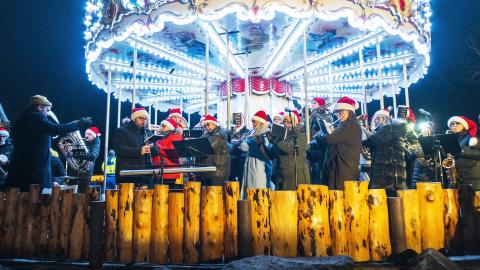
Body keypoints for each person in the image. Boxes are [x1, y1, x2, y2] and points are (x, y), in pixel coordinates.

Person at [6, 95, 91, 191]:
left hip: (20, 170)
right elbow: (55, 129)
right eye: (47, 110)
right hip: (33, 171)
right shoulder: (35, 117)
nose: (47, 114)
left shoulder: (23, 119)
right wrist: (78, 124)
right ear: (39, 107)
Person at [315, 96, 361, 190]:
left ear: (349, 111)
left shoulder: (349, 125)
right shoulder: (347, 123)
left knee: (338, 197)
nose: (339, 115)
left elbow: (329, 139)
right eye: (337, 112)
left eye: (341, 112)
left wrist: (323, 133)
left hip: (343, 169)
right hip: (342, 167)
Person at [363, 109, 408, 196]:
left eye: (378, 118)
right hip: (391, 177)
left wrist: (362, 133)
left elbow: (371, 141)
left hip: (387, 177)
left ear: (384, 119)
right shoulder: (392, 129)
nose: (375, 121)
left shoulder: (388, 129)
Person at [113, 107, 159, 186]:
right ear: (134, 118)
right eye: (141, 118)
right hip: (128, 175)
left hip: (146, 175)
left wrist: (152, 147)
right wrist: (139, 151)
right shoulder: (122, 131)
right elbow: (119, 149)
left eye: (145, 119)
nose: (144, 121)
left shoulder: (148, 133)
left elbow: (157, 151)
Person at [241, 110, 275, 195]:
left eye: (254, 122)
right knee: (250, 187)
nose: (252, 124)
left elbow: (244, 147)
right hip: (252, 162)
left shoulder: (266, 133)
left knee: (258, 188)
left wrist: (247, 141)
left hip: (260, 164)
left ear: (260, 122)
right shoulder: (254, 132)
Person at [274, 110, 310, 190]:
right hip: (282, 176)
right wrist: (261, 144)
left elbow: (290, 148)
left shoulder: (302, 136)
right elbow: (270, 154)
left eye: (287, 121)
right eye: (284, 122)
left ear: (294, 122)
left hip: (296, 176)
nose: (284, 124)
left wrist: (274, 141)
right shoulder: (282, 136)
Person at [447, 116, 480, 189]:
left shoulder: (474, 137)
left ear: (463, 125)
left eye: (455, 123)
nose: (453, 126)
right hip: (458, 177)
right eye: (451, 125)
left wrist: (461, 152)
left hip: (472, 178)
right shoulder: (453, 139)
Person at [198, 114, 230, 186]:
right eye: (205, 126)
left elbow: (207, 148)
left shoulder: (219, 134)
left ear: (214, 124)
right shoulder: (209, 134)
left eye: (208, 124)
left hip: (217, 171)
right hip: (211, 171)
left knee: (215, 195)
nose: (206, 127)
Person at [307, 97, 333, 185]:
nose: (312, 105)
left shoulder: (327, 114)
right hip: (311, 145)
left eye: (314, 103)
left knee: (317, 169)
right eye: (312, 103)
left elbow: (327, 123)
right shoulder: (313, 114)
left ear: (320, 105)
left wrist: (315, 116)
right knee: (312, 170)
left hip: (319, 146)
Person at [153, 118, 183, 186]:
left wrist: (157, 147)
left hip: (169, 171)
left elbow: (172, 152)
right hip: (159, 170)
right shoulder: (162, 137)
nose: (162, 127)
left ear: (170, 127)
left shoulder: (176, 136)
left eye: (164, 126)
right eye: (162, 126)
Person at [77, 126, 101, 193]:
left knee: (83, 192)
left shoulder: (96, 143)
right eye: (86, 134)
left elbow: (93, 155)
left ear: (94, 136)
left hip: (86, 172)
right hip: (76, 170)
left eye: (89, 134)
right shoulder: (82, 141)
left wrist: (81, 154)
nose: (87, 136)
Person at [229, 113, 250, 183]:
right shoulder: (230, 131)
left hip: (242, 159)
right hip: (231, 160)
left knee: (242, 179)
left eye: (239, 120)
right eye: (236, 120)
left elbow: (245, 145)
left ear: (243, 120)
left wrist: (237, 142)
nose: (237, 122)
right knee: (231, 179)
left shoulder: (247, 131)